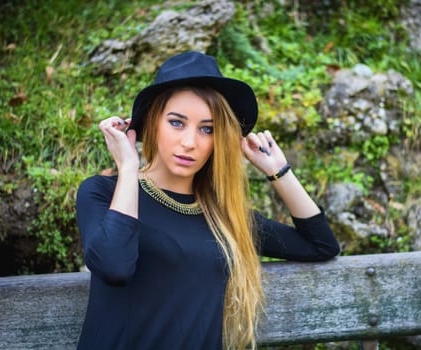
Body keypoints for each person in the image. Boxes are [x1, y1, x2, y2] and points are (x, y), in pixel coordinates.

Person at [75, 51, 340, 350]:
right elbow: (114, 266)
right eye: (177, 123)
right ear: (152, 123)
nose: (190, 143)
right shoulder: (101, 193)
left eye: (207, 129)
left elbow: (321, 245)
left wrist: (278, 170)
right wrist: (127, 168)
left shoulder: (223, 217)